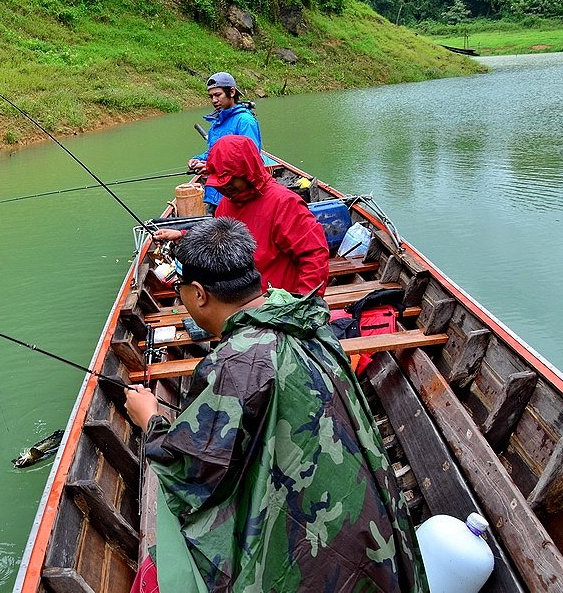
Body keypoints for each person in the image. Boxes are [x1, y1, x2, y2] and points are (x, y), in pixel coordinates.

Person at [125, 217, 427, 593]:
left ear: (199, 294)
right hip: (376, 544)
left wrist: (150, 420)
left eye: (181, 288)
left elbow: (191, 473)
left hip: (310, 564)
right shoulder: (305, 318)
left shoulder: (235, 363)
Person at [158, 134, 329, 297]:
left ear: (248, 173)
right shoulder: (226, 203)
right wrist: (182, 236)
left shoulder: (285, 203)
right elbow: (220, 240)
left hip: (279, 304)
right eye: (220, 183)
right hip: (242, 300)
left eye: (230, 181)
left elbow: (314, 256)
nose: (225, 188)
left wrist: (302, 305)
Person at [189, 72, 264, 214]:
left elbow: (249, 162)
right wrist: (198, 159)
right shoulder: (218, 122)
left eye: (218, 95)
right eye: (211, 96)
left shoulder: (245, 122)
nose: (214, 100)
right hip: (215, 193)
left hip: (236, 195)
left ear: (231, 92)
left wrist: (211, 167)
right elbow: (213, 153)